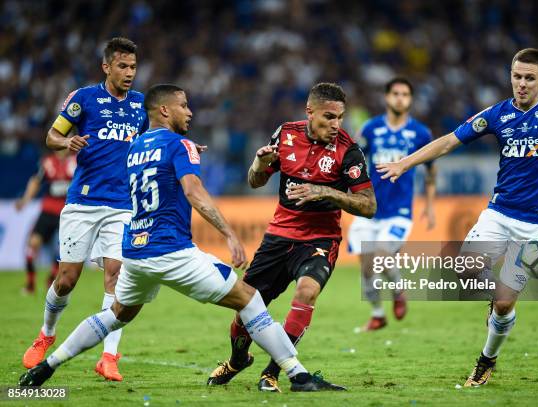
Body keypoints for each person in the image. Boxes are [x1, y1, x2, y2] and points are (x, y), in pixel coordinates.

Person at [19, 84, 344, 392]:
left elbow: (160, 166)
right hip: (172, 252)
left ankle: (49, 364)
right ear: (164, 110)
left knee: (116, 314)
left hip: (135, 253)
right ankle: (296, 374)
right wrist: (229, 234)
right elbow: (194, 191)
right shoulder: (180, 146)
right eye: (183, 106)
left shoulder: (135, 147)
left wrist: (185, 151)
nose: (190, 112)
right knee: (248, 298)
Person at [377, 49, 538, 386]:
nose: (522, 84)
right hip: (498, 214)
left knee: (502, 307)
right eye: (517, 76)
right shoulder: (497, 114)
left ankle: (486, 360)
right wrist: (404, 163)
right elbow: (448, 142)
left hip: (537, 225)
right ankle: (499, 297)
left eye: (530, 78)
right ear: (510, 76)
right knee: (465, 268)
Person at [208, 82, 376, 392]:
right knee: (246, 309)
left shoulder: (348, 151)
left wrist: (325, 191)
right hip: (279, 237)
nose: (336, 125)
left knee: (307, 292)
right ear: (309, 112)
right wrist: (259, 162)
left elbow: (368, 205)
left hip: (320, 239)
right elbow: (255, 181)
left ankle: (273, 372)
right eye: (329, 117)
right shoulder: (285, 134)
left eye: (340, 117)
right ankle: (237, 361)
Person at [21, 37, 148, 382]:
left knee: (117, 278)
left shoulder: (140, 105)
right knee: (66, 280)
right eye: (122, 66)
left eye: (133, 67)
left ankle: (109, 356)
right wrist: (67, 141)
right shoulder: (83, 99)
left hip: (123, 205)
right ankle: (46, 333)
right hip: (83, 202)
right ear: (106, 67)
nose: (129, 73)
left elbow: (152, 142)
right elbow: (52, 136)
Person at [348, 77, 436, 331]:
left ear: (410, 99)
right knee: (366, 267)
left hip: (399, 211)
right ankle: (378, 315)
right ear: (387, 97)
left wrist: (429, 206)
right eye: (395, 93)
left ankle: (398, 291)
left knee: (383, 257)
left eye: (405, 94)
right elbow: (353, 162)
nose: (400, 98)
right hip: (369, 208)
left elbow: (431, 170)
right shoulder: (370, 129)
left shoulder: (421, 133)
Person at [15, 150, 76, 293]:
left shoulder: (77, 161)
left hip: (66, 212)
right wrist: (25, 200)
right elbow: (36, 181)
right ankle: (30, 284)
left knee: (63, 249)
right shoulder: (47, 161)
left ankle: (52, 278)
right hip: (47, 210)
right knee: (33, 244)